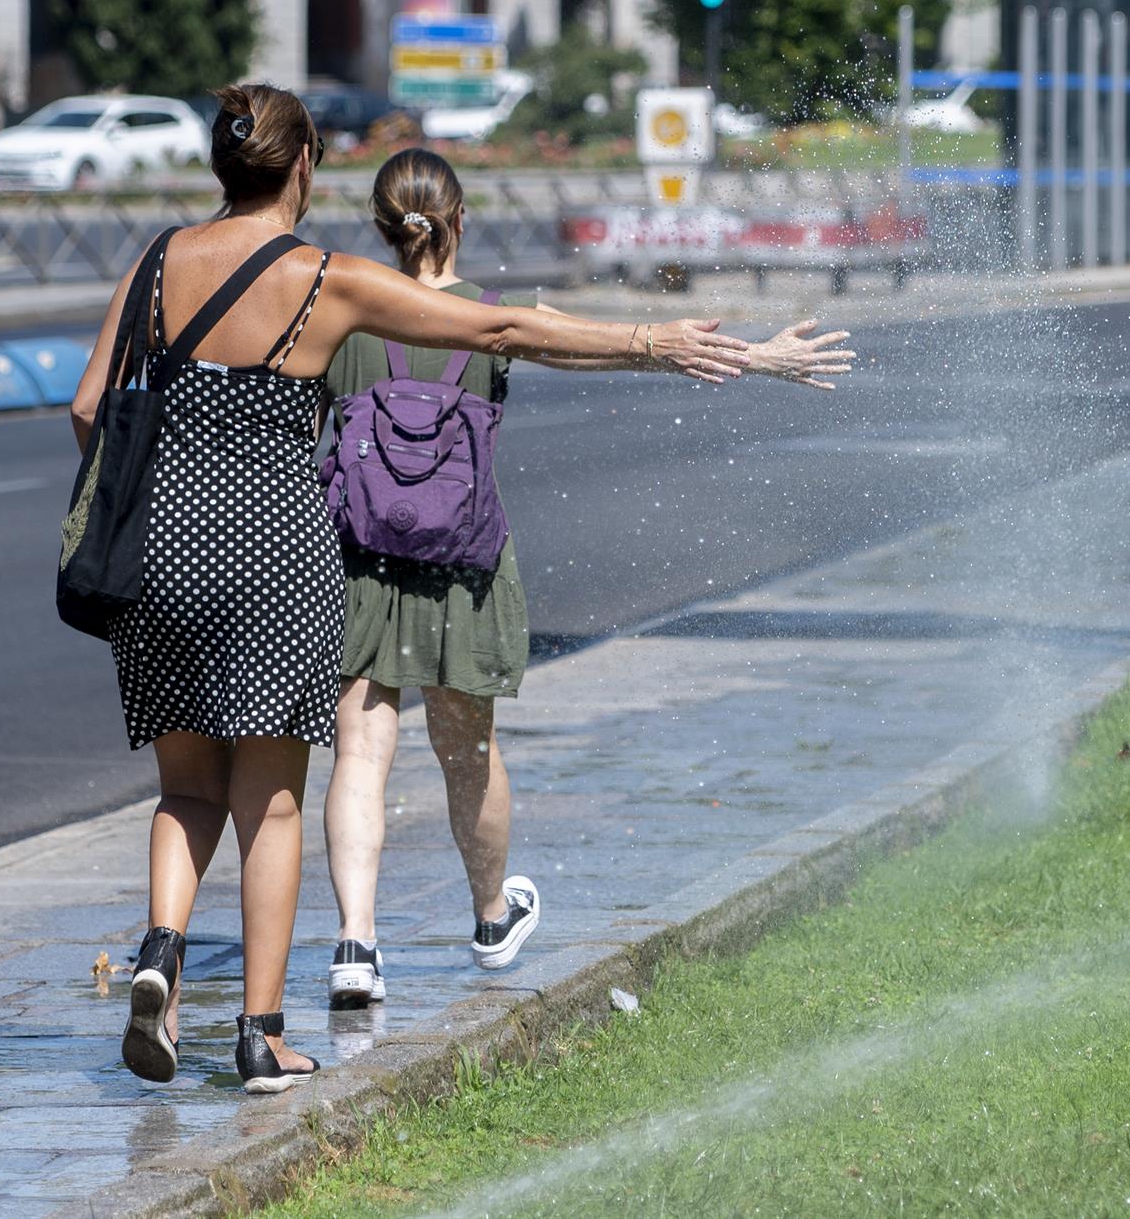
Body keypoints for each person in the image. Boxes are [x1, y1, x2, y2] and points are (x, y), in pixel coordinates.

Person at [70, 86, 774, 1095]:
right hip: (275, 553)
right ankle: (261, 1033)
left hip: (162, 557)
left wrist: (161, 495)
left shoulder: (151, 265)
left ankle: (161, 948)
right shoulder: (328, 280)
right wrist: (650, 340)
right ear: (304, 165)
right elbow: (493, 330)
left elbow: (89, 405)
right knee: (269, 802)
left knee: (186, 788)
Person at [320, 148, 853, 1008]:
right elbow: (601, 350)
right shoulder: (497, 318)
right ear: (459, 221)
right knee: (467, 751)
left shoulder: (340, 318)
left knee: (362, 747)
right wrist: (756, 358)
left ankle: (356, 945)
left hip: (362, 562)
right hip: (465, 565)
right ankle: (492, 918)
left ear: (383, 228)